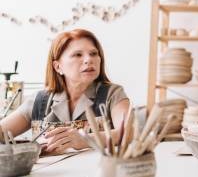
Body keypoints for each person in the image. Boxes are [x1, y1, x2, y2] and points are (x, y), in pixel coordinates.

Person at [0, 29, 130, 154]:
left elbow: (129, 133)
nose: (88, 59)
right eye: (78, 55)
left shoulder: (112, 93)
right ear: (58, 67)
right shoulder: (38, 101)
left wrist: (84, 139)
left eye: (93, 53)